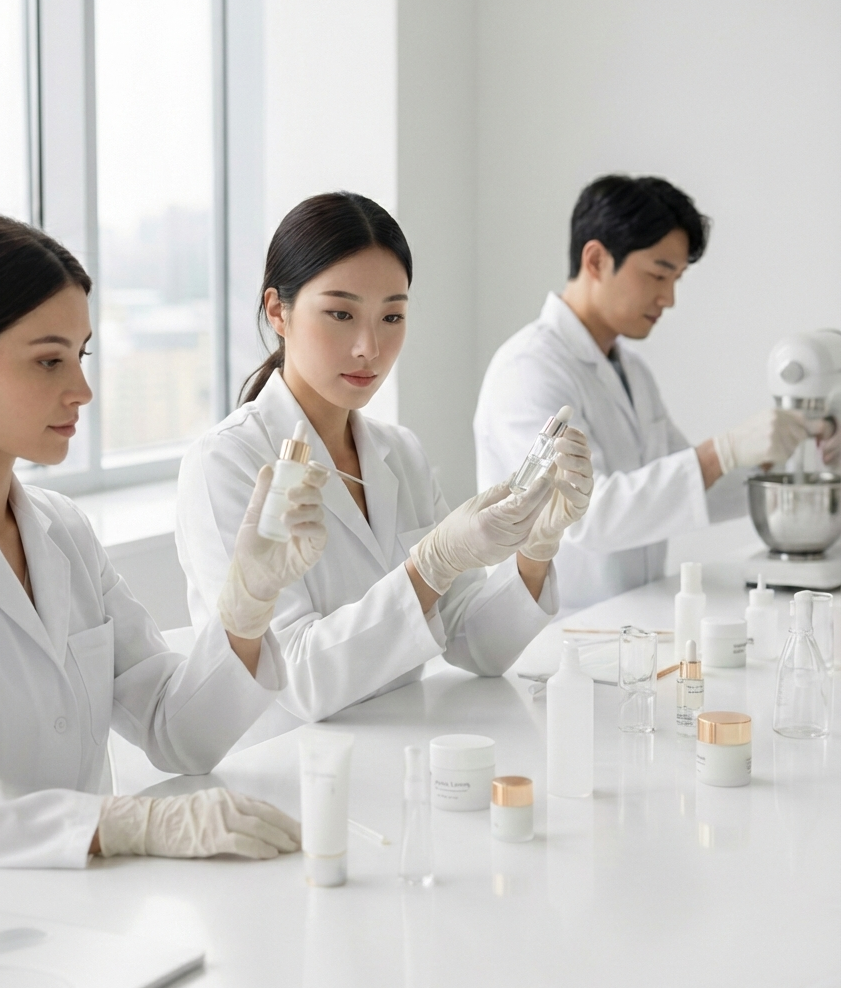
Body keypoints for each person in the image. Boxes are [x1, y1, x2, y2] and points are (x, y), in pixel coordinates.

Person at [176, 192, 594, 735]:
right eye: (340, 314)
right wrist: (429, 567)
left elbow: (476, 646)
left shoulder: (401, 454)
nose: (369, 347)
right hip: (288, 768)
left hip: (403, 751)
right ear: (278, 311)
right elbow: (299, 680)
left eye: (392, 316)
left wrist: (536, 550)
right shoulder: (227, 462)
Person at [0, 215, 328, 867]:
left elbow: (177, 734)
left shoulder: (61, 533)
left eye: (81, 355)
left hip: (93, 926)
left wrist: (247, 606)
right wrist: (126, 824)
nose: (82, 389)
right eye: (48, 359)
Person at [474, 174, 814, 611]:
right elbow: (586, 515)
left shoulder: (630, 370)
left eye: (677, 279)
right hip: (553, 633)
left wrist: (797, 463)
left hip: (626, 619)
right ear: (596, 259)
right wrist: (720, 451)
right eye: (659, 274)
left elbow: (688, 490)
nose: (669, 298)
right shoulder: (528, 370)